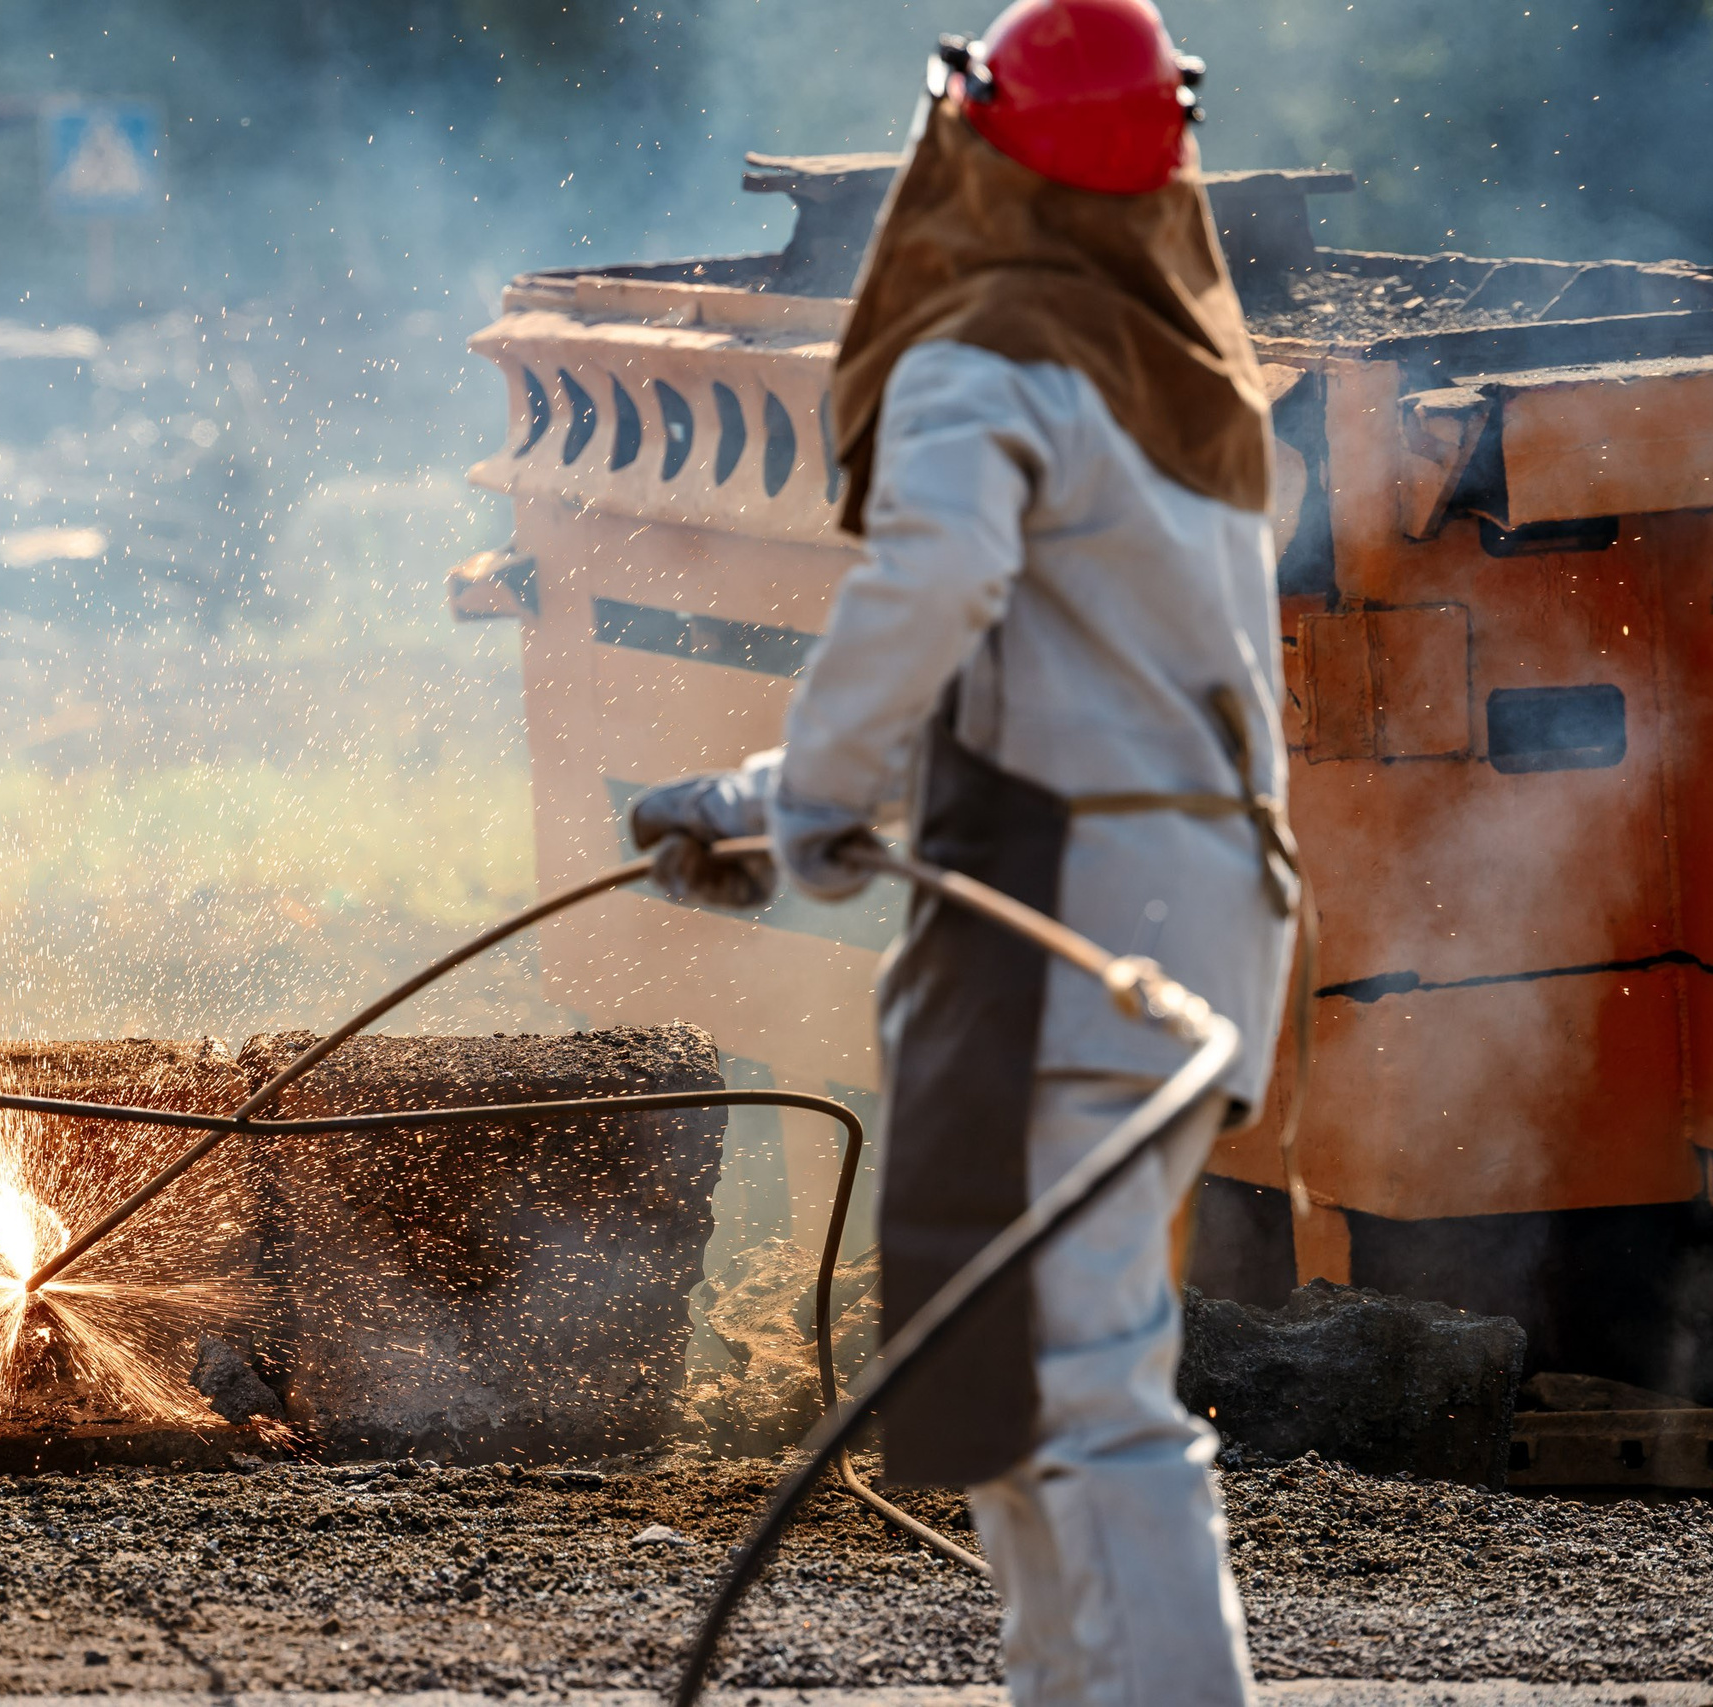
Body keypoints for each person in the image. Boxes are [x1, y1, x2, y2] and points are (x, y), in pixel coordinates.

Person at [630, 3, 1298, 1703]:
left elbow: (928, 597)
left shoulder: (992, 353)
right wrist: (780, 796)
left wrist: (797, 813)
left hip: (1089, 916)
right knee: (1014, 1371)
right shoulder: (1179, 374)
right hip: (1181, 911)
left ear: (979, 148)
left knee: (1081, 1376)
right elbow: (1048, 695)